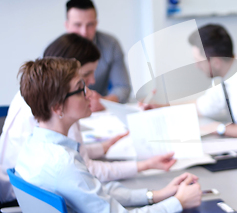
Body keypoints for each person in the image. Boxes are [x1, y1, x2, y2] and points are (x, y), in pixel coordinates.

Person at [0, 34, 178, 205]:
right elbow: (84, 170)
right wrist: (148, 170)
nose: (91, 86)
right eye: (83, 81)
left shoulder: (40, 111)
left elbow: (72, 155)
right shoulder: (56, 120)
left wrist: (102, 147)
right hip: (21, 197)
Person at [15, 57, 202, 212]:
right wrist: (178, 202)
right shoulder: (63, 165)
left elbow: (96, 191)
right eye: (81, 89)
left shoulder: (33, 147)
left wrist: (155, 195)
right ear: (57, 107)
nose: (89, 94)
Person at [65, 0, 131, 106]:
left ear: (96, 24)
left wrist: (102, 102)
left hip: (99, 112)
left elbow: (122, 87)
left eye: (90, 25)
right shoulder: (54, 51)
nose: (84, 32)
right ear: (67, 25)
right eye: (78, 25)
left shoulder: (111, 45)